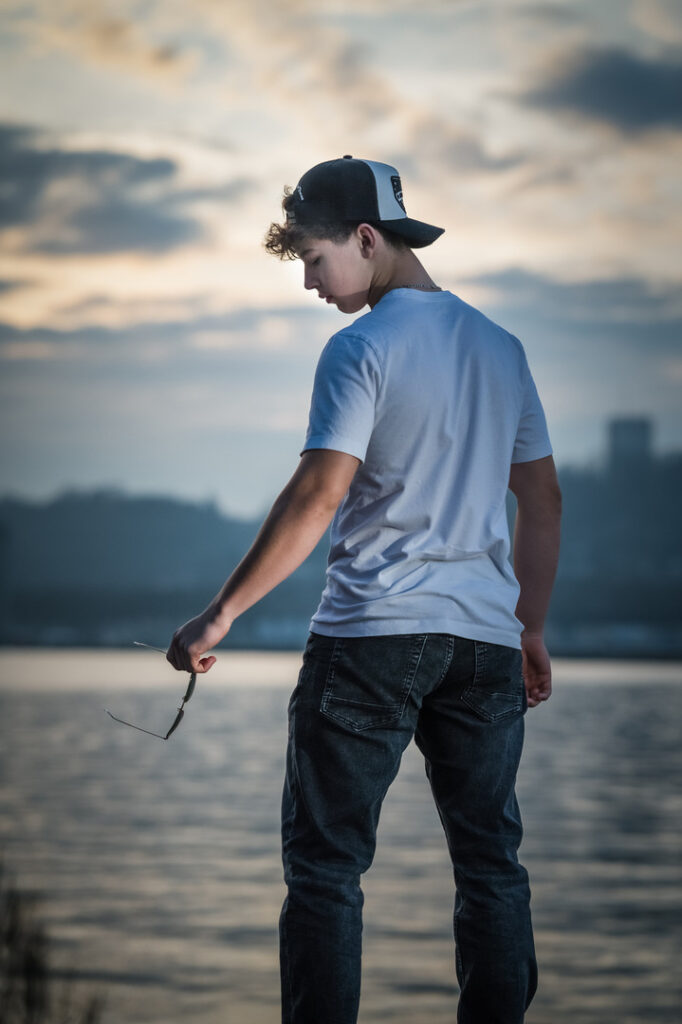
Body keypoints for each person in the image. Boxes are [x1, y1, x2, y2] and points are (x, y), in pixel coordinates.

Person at [166, 155, 562, 1024]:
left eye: (313, 259)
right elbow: (541, 498)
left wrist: (219, 613)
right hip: (486, 643)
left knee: (326, 870)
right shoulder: (503, 348)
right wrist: (529, 627)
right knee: (491, 865)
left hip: (372, 637)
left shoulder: (360, 349)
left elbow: (318, 495)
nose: (309, 283)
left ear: (367, 238)